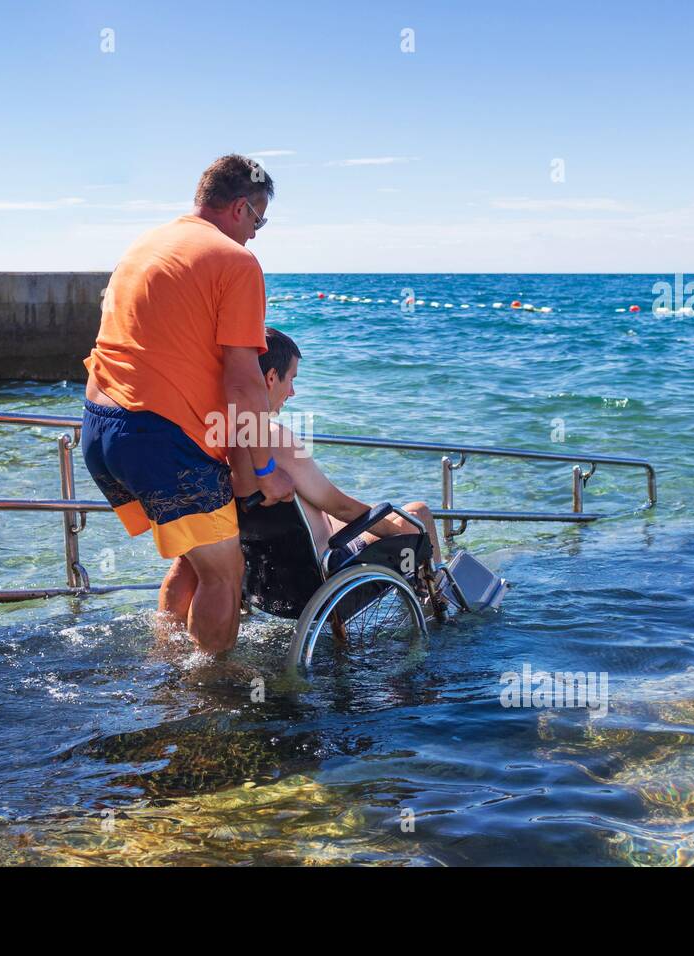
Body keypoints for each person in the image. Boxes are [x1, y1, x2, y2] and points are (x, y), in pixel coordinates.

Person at [81, 154, 294, 655]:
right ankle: (209, 698)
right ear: (241, 208)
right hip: (160, 438)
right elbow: (246, 385)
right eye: (258, 220)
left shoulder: (147, 244)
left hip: (100, 427)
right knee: (225, 572)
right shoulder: (235, 261)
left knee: (193, 559)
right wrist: (265, 468)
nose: (257, 234)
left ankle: (167, 661)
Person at [230, 327, 443, 565]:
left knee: (379, 514)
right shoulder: (276, 437)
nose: (292, 392)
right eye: (291, 380)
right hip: (328, 567)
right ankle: (439, 600)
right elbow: (341, 508)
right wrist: (404, 536)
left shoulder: (225, 436)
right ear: (271, 378)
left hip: (275, 569)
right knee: (416, 515)